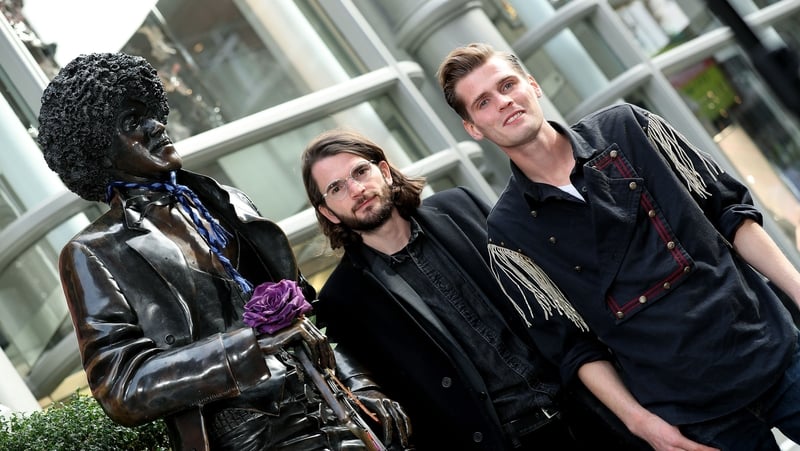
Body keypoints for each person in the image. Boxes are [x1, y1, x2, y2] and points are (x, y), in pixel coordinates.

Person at [37, 52, 411, 451]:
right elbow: (122, 387)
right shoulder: (94, 252)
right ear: (97, 149)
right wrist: (250, 346)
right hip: (254, 438)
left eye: (151, 113)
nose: (156, 126)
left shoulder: (227, 202)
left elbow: (307, 317)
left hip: (334, 409)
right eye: (133, 122)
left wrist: (360, 386)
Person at [437, 42, 800, 451]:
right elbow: (571, 347)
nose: (504, 102)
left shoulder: (629, 128)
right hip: (694, 415)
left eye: (507, 85)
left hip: (774, 350)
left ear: (532, 85)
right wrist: (643, 426)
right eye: (483, 102)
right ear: (473, 127)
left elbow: (731, 213)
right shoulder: (507, 231)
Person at [301, 129, 650, 450]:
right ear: (328, 213)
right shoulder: (342, 301)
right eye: (336, 188)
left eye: (360, 172)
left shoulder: (460, 207)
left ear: (384, 171)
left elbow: (551, 301)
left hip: (586, 408)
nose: (356, 190)